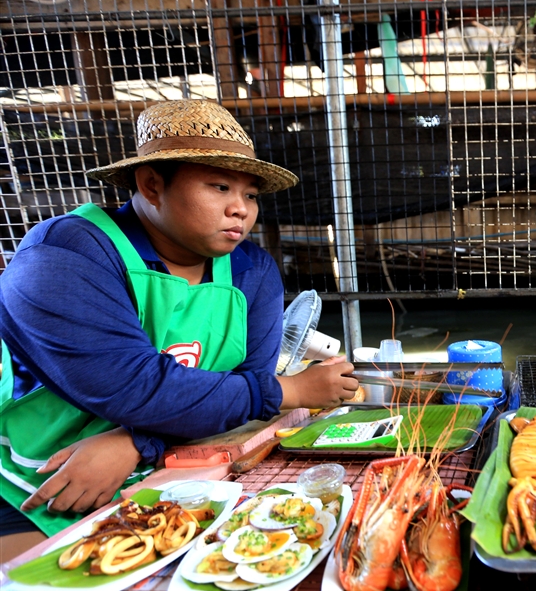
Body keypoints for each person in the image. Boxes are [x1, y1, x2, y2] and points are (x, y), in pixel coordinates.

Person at [0, 99, 359, 556]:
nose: (240, 210)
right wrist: (289, 391)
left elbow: (242, 387)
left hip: (173, 460)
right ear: (152, 184)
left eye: (249, 194)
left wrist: (137, 442)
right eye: (220, 186)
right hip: (40, 471)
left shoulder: (253, 270)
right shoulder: (65, 256)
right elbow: (134, 385)